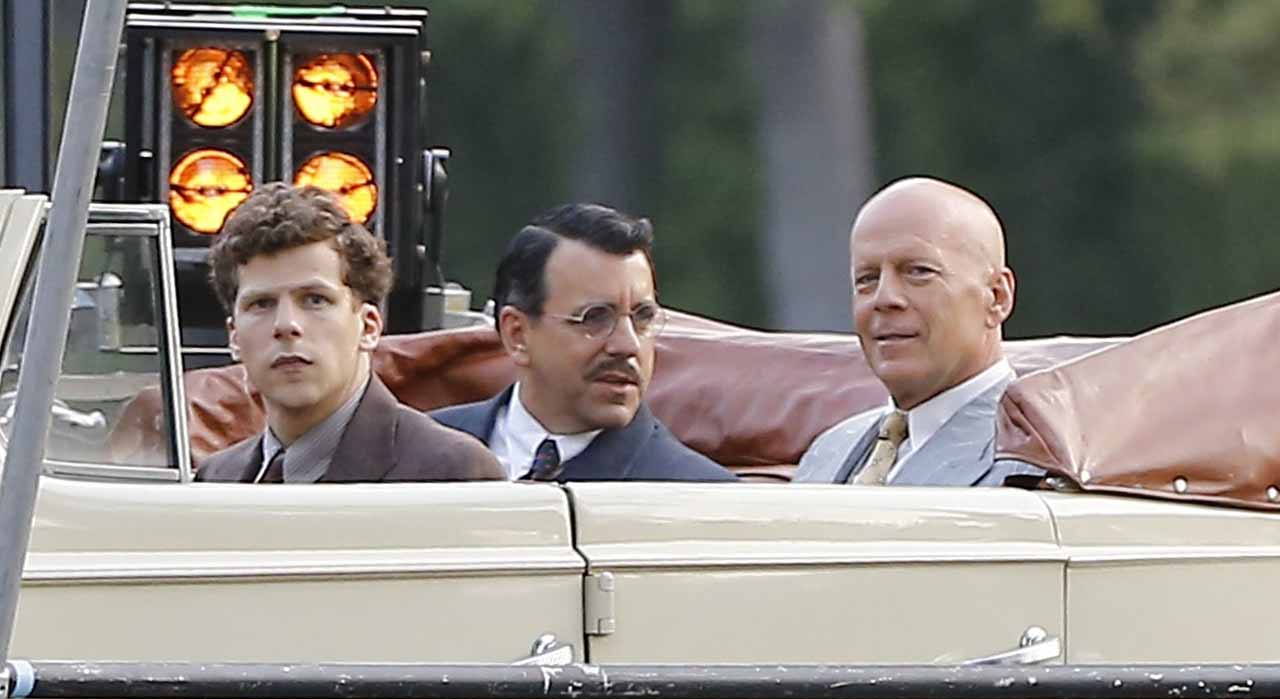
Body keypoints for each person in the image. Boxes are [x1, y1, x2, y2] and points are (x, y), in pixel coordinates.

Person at [196, 183, 504, 483]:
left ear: (369, 326)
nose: (286, 325)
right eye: (262, 304)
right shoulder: (216, 479)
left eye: (315, 300)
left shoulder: (453, 472)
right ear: (234, 336)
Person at [433, 203, 737, 482]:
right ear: (517, 334)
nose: (628, 345)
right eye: (595, 318)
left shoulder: (701, 498)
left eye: (643, 318)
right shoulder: (420, 453)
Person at [795, 177, 1037, 486]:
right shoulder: (828, 450)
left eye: (919, 272)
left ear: (996, 297)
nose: (885, 298)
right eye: (867, 279)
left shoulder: (1032, 461)